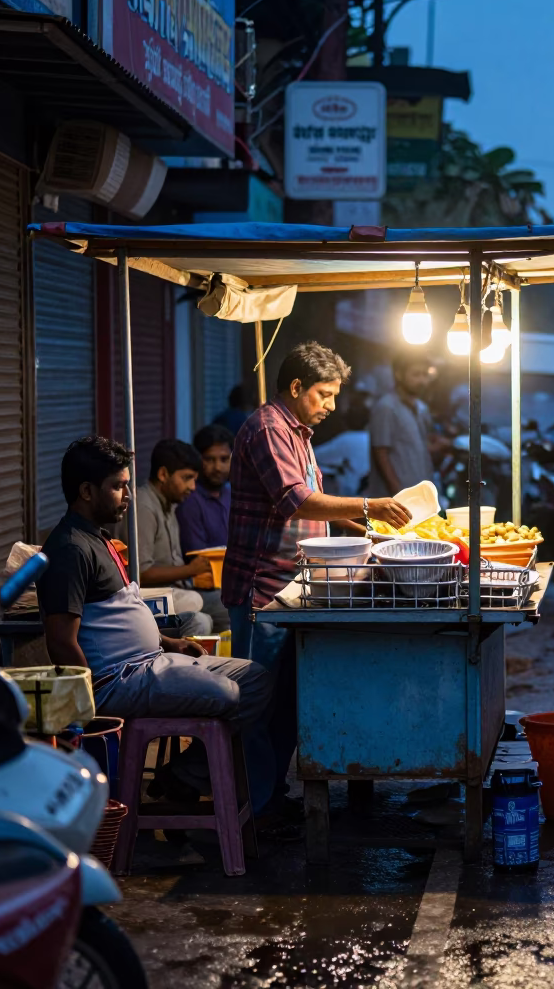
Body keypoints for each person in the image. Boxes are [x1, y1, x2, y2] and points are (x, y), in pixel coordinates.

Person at [222, 342, 411, 811]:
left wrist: (369, 529)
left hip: (294, 588)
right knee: (254, 707)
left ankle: (272, 795)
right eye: (324, 395)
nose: (331, 406)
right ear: (295, 387)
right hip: (260, 592)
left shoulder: (299, 432)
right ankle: (251, 809)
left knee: (288, 701)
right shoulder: (268, 429)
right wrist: (371, 504)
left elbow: (317, 506)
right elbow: (296, 500)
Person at [36, 436, 273, 810]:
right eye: (117, 486)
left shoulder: (98, 537)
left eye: (127, 484)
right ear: (85, 491)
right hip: (119, 679)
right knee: (228, 693)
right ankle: (187, 777)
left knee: (256, 677)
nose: (127, 494)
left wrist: (169, 642)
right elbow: (61, 641)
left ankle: (184, 774)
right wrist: (90, 705)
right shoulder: (69, 549)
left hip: (154, 662)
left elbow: (122, 612)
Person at [136, 439, 228, 634]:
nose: (193, 487)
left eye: (195, 479)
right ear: (163, 474)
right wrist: (190, 570)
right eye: (187, 478)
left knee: (232, 601)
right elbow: (141, 574)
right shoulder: (144, 507)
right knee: (209, 609)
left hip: (176, 591)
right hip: (147, 599)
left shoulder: (170, 505)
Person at [367, 351, 439, 496]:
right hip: (397, 497)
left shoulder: (421, 408)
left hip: (420, 494)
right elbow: (380, 453)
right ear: (399, 375)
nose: (422, 381)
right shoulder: (386, 407)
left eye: (425, 375)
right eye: (416, 374)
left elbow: (416, 446)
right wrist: (397, 491)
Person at [177, 424, 233, 555]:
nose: (218, 467)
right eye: (209, 459)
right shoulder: (189, 501)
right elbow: (198, 559)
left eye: (224, 459)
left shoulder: (230, 495)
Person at [312, 394, 371, 496]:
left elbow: (315, 455)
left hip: (353, 494)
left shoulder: (346, 439)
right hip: (369, 492)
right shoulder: (370, 437)